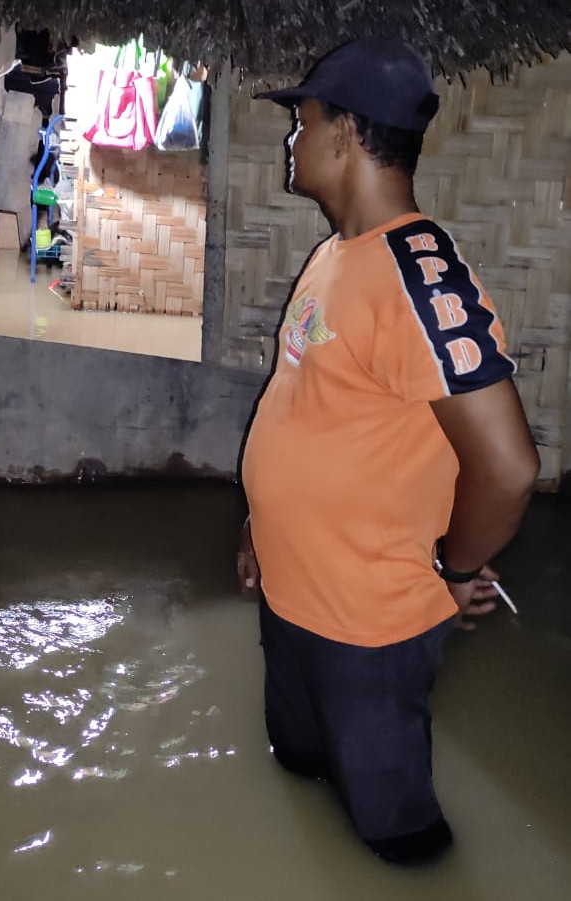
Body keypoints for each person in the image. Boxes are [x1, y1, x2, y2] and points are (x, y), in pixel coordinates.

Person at [238, 38, 540, 863]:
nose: (290, 143)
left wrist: (452, 568)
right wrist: (257, 529)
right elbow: (299, 406)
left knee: (397, 837)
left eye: (300, 124)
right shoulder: (334, 255)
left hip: (365, 627)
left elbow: (507, 468)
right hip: (292, 594)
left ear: (344, 134)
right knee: (298, 768)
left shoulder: (419, 274)